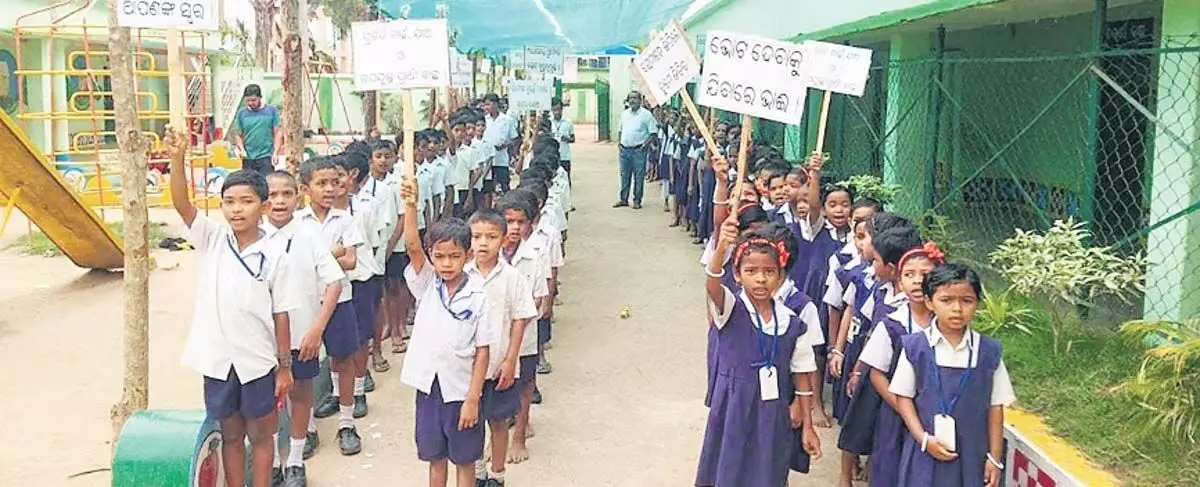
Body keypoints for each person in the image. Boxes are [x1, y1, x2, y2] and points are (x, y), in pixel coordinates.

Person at [165, 128, 297, 487]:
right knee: (232, 434)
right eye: (229, 202)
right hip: (219, 360)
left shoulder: (275, 255)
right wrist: (177, 159)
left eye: (246, 201)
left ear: (264, 207)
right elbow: (182, 205)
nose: (236, 209)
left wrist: (284, 368)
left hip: (258, 360)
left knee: (262, 434)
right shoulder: (213, 239)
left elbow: (281, 314)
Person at [696, 219, 822, 487]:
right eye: (751, 271)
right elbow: (712, 284)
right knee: (729, 467)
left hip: (772, 409)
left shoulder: (791, 321)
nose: (761, 278)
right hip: (734, 405)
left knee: (768, 469)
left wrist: (807, 424)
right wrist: (721, 249)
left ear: (780, 275)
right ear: (738, 275)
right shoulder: (731, 309)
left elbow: (802, 375)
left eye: (769, 271)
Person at [398, 177, 493, 487]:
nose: (446, 263)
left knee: (464, 460)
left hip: (461, 389)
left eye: (454, 256)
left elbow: (483, 351)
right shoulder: (427, 285)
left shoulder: (479, 295)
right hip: (429, 387)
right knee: (434, 457)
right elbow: (412, 244)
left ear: (467, 255)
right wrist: (410, 205)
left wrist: (473, 399)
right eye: (439, 257)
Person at [890, 263, 1015, 487]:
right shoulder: (915, 347)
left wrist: (994, 459)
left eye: (966, 301)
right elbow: (903, 398)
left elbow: (996, 408)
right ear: (929, 302)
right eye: (946, 300)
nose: (957, 309)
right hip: (925, 451)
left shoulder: (988, 352)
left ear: (977, 304)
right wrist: (923, 439)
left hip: (972, 455)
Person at [261, 170, 344, 486]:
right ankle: (271, 463)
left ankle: (295, 460)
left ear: (299, 195)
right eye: (272, 195)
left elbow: (334, 282)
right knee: (265, 403)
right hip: (262, 340)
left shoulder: (309, 237)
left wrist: (317, 329)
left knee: (300, 394)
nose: (279, 201)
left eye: (286, 194)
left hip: (302, 336)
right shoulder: (253, 236)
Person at [836, 224, 923, 486]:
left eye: (876, 261)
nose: (872, 267)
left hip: (902, 380)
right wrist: (858, 368)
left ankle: (875, 472)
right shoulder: (879, 290)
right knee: (856, 424)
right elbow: (869, 327)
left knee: (884, 434)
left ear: (893, 269)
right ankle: (845, 475)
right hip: (875, 370)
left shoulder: (920, 302)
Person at [860, 241, 944, 487]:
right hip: (896, 414)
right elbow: (877, 373)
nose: (918, 281)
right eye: (909, 274)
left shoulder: (948, 323)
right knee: (892, 467)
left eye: (926, 274)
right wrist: (902, 406)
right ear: (899, 279)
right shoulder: (891, 324)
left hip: (936, 412)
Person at [297, 157, 366, 456]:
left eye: (333, 183)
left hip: (341, 299)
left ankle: (347, 423)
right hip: (306, 302)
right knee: (305, 367)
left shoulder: (345, 219)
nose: (328, 189)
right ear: (305, 188)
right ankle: (308, 428)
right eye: (320, 184)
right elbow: (297, 263)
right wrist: (330, 252)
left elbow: (350, 261)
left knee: (342, 360)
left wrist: (321, 257)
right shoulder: (296, 223)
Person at [465, 209, 539, 486]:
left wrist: (511, 360)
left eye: (491, 237)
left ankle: (497, 475)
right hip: (467, 367)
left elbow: (520, 319)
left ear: (503, 239)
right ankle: (478, 473)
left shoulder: (512, 277)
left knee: (498, 421)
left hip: (499, 365)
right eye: (477, 237)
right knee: (470, 423)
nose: (483, 243)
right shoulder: (462, 274)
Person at [497, 189, 551, 463]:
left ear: (530, 223)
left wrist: (518, 321)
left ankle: (518, 436)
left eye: (521, 222)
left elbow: (539, 298)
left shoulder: (535, 253)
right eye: (509, 221)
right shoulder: (487, 252)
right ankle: (496, 442)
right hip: (494, 336)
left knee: (525, 384)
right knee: (495, 386)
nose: (515, 228)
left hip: (525, 334)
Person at [613, 91, 657, 209]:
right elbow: (620, 130)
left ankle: (637, 200)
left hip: (639, 151)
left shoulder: (646, 115)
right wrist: (619, 144)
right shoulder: (624, 114)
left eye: (635, 98)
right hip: (624, 150)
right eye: (630, 98)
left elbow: (653, 133)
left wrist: (644, 146)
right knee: (624, 175)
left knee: (639, 176)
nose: (632, 100)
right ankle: (623, 199)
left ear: (640, 100)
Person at [234, 84, 282, 175]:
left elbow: (277, 133)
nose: (251, 103)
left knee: (266, 183)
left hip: (266, 156)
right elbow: (238, 135)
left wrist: (275, 153)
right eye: (248, 100)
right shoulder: (241, 114)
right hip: (248, 157)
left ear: (260, 98)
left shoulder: (271, 111)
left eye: (253, 100)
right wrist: (242, 150)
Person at [482, 94, 520, 199]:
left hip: (501, 159)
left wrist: (505, 145)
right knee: (488, 188)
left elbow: (515, 138)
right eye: (485, 105)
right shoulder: (484, 120)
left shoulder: (507, 120)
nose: (486, 107)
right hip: (487, 159)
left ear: (496, 104)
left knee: (504, 185)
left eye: (488, 104)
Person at [550, 98, 575, 186]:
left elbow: (573, 139)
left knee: (566, 180)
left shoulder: (568, 122)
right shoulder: (549, 122)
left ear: (562, 109)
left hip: (564, 155)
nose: (556, 112)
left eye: (558, 109)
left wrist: (567, 139)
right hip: (552, 155)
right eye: (554, 110)